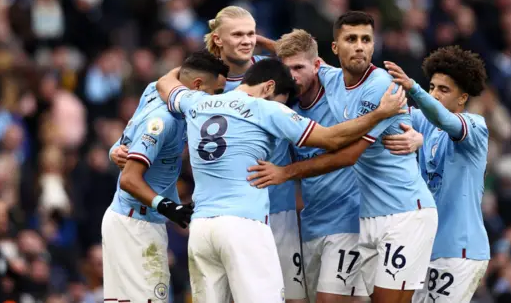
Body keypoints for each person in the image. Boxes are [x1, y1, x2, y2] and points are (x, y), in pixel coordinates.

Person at [155, 57, 407, 303]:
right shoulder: (266, 108)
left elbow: (165, 82)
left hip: (201, 230)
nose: (284, 108)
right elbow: (333, 139)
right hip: (243, 225)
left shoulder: (196, 102)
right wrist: (379, 114)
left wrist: (196, 62)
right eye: (283, 102)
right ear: (269, 87)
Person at [248, 11, 437, 303]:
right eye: (351, 39)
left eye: (365, 40)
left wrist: (419, 136)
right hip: (329, 221)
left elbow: (348, 153)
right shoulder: (307, 90)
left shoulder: (377, 86)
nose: (359, 46)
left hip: (380, 215)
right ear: (335, 48)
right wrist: (255, 41)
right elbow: (295, 56)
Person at [101, 50, 229, 303]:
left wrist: (115, 148)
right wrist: (167, 206)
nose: (217, 101)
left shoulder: (153, 89)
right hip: (137, 224)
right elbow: (129, 179)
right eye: (216, 93)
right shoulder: (164, 121)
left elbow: (129, 136)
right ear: (197, 86)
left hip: (131, 220)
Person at [204, 5, 305, 302]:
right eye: (238, 34)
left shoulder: (270, 69)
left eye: (251, 33)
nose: (247, 40)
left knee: (292, 296)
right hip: (230, 211)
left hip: (279, 205)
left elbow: (309, 63)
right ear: (218, 39)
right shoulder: (207, 82)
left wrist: (263, 42)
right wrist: (122, 146)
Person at [381, 47, 490, 303]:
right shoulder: (424, 123)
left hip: (460, 250)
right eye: (431, 87)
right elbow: (385, 110)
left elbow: (446, 121)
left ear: (462, 98)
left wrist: (414, 89)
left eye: (444, 89)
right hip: (426, 248)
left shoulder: (476, 127)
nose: (434, 94)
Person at [275, 29, 370, 302]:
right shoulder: (285, 110)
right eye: (286, 69)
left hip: (349, 220)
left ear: (317, 66)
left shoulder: (340, 95)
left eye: (299, 67)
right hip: (311, 223)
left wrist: (413, 133)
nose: (292, 76)